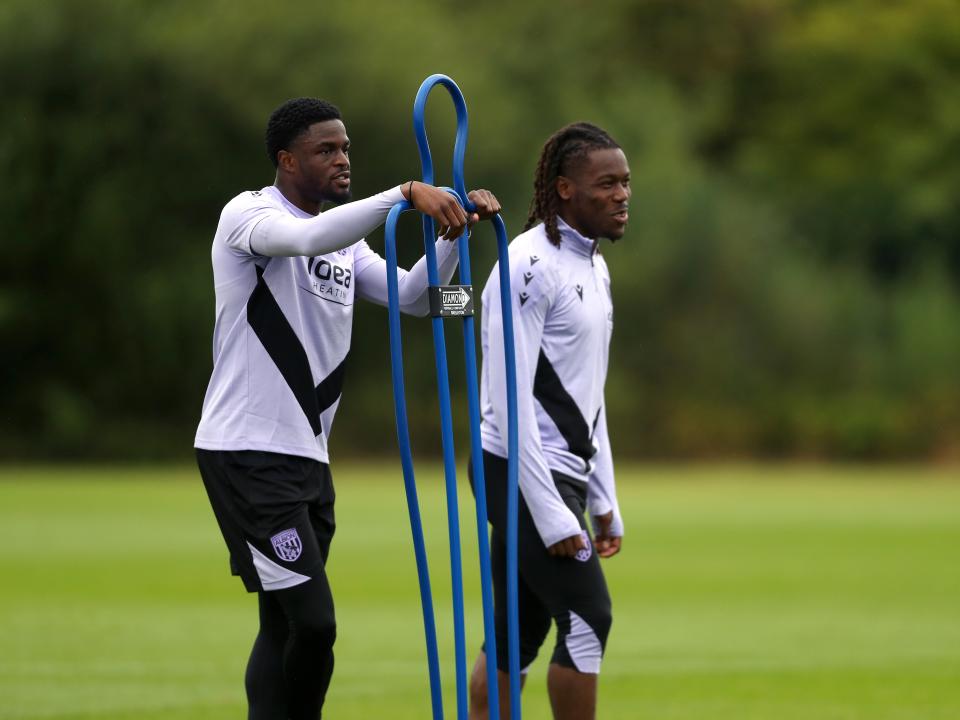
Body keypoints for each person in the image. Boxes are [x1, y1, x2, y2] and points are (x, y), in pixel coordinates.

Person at [194, 97, 500, 720]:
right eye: (325, 150)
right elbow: (306, 235)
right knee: (316, 623)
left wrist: (452, 234)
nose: (342, 160)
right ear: (286, 160)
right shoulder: (248, 216)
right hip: (247, 453)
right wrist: (406, 193)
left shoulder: (347, 245)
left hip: (308, 458)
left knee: (282, 623)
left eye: (346, 148)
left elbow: (418, 300)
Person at [469, 122, 630, 720]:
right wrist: (550, 508)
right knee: (590, 619)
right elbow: (507, 399)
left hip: (561, 474)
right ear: (564, 189)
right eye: (605, 183)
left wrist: (603, 496)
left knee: (516, 636)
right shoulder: (527, 265)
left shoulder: (594, 267)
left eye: (625, 183)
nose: (621, 195)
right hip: (513, 468)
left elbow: (591, 397)